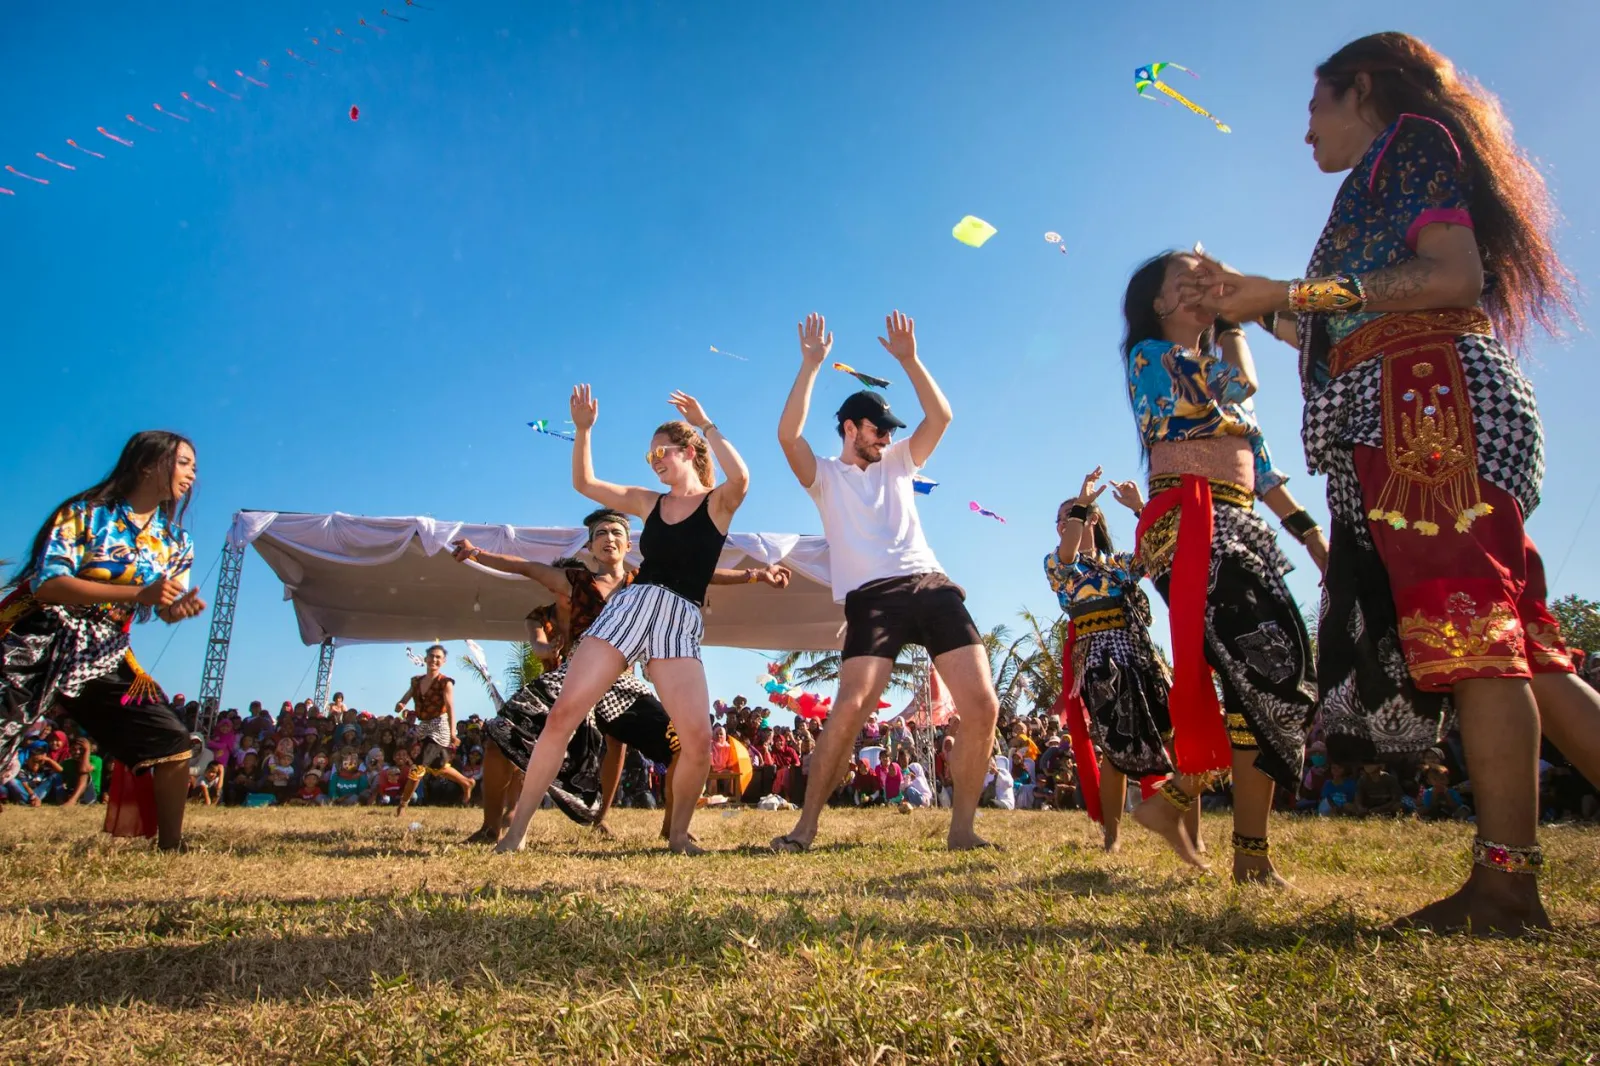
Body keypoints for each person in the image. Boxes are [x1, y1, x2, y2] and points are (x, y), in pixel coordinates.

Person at [1190, 32, 1600, 933]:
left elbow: (1450, 277)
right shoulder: (1378, 177)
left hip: (1429, 412)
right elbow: (1347, 324)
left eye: (1313, 107)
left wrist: (1287, 294)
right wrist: (1250, 310)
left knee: (1479, 635)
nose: (1305, 133)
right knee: (1528, 650)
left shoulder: (1408, 144)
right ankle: (1506, 877)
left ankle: (1506, 886)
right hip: (1418, 403)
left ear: (1360, 89)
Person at [1119, 254, 1319, 884]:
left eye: (1208, 270)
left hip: (1242, 524)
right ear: (1156, 301)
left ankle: (1220, 833)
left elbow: (1261, 470)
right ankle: (1188, 809)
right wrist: (1238, 320)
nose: (1201, 278)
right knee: (1269, 660)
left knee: (1263, 677)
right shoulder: (1153, 358)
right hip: (1187, 522)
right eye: (1186, 272)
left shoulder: (1213, 372)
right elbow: (1235, 388)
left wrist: (1313, 540)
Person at [771, 311, 1001, 853]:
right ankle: (804, 830)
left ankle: (963, 831)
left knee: (984, 706)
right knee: (850, 709)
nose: (889, 437)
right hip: (872, 597)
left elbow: (941, 416)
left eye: (892, 431)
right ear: (851, 429)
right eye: (880, 428)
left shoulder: (900, 462)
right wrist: (810, 367)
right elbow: (788, 435)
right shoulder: (825, 477)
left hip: (930, 584)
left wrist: (909, 359)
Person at [495, 387, 750, 855]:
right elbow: (585, 483)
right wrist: (584, 430)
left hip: (679, 619)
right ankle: (516, 834)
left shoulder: (717, 503)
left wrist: (706, 422)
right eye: (648, 453)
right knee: (564, 715)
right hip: (633, 607)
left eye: (661, 451)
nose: (653, 459)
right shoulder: (649, 502)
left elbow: (743, 477)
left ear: (689, 452)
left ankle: (677, 837)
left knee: (696, 741)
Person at [454, 509, 781, 843]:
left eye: (615, 533)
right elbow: (525, 567)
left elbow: (701, 574)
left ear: (628, 545)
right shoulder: (574, 581)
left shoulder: (645, 580)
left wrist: (756, 574)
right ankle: (491, 827)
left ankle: (671, 827)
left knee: (684, 744)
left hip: (623, 685)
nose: (608, 539)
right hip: (576, 676)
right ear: (591, 548)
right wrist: (478, 554)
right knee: (499, 735)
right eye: (600, 534)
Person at [0, 432, 206, 848]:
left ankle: (171, 846)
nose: (192, 476)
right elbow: (48, 584)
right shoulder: (85, 514)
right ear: (148, 464)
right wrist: (138, 595)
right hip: (39, 634)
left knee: (172, 739)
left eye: (194, 468)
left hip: (103, 650)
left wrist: (175, 610)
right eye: (184, 463)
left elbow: (162, 605)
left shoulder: (176, 542)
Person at [1047, 468, 1191, 859]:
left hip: (1140, 654)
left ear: (1093, 518)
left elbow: (1158, 551)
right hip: (1099, 661)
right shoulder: (1061, 566)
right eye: (1063, 518)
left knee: (1176, 740)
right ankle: (1112, 838)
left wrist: (1141, 508)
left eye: (1070, 516)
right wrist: (1082, 501)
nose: (1062, 524)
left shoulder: (1121, 564)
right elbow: (1068, 553)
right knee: (1114, 748)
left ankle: (1192, 837)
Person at [392, 645, 476, 816]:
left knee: (419, 765)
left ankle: (402, 805)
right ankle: (467, 783)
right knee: (438, 766)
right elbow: (406, 697)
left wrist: (453, 733)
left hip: (440, 726)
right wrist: (401, 704)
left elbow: (450, 707)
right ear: (425, 659)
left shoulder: (445, 682)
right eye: (431, 656)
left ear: (443, 662)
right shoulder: (416, 681)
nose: (434, 660)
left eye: (438, 657)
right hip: (423, 726)